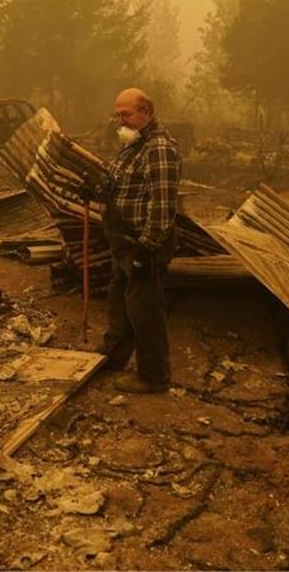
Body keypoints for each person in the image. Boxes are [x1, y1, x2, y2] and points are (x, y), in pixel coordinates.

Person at [94, 87, 181, 394]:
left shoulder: (158, 148)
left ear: (147, 112)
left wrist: (147, 247)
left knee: (145, 311)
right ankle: (114, 357)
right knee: (119, 300)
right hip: (123, 241)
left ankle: (154, 377)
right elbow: (121, 184)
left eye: (126, 114)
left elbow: (162, 204)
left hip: (143, 244)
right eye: (117, 113)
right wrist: (96, 191)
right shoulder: (132, 143)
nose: (120, 119)